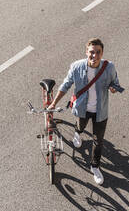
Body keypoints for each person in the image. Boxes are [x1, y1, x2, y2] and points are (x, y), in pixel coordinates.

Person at [48, 38, 120, 185]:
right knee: (80, 126)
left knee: (98, 141)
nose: (94, 56)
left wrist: (114, 88)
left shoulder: (109, 67)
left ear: (102, 53)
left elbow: (116, 83)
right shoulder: (76, 66)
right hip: (82, 108)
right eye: (91, 52)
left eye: (98, 52)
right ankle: (77, 133)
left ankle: (95, 167)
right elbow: (66, 85)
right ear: (86, 52)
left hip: (101, 111)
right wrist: (53, 103)